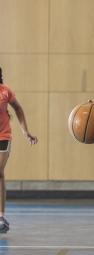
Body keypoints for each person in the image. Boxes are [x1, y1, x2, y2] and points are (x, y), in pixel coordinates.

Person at [0, 66, 38, 234]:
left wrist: (25, 131)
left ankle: (1, 217)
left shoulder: (5, 91)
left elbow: (18, 108)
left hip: (3, 136)